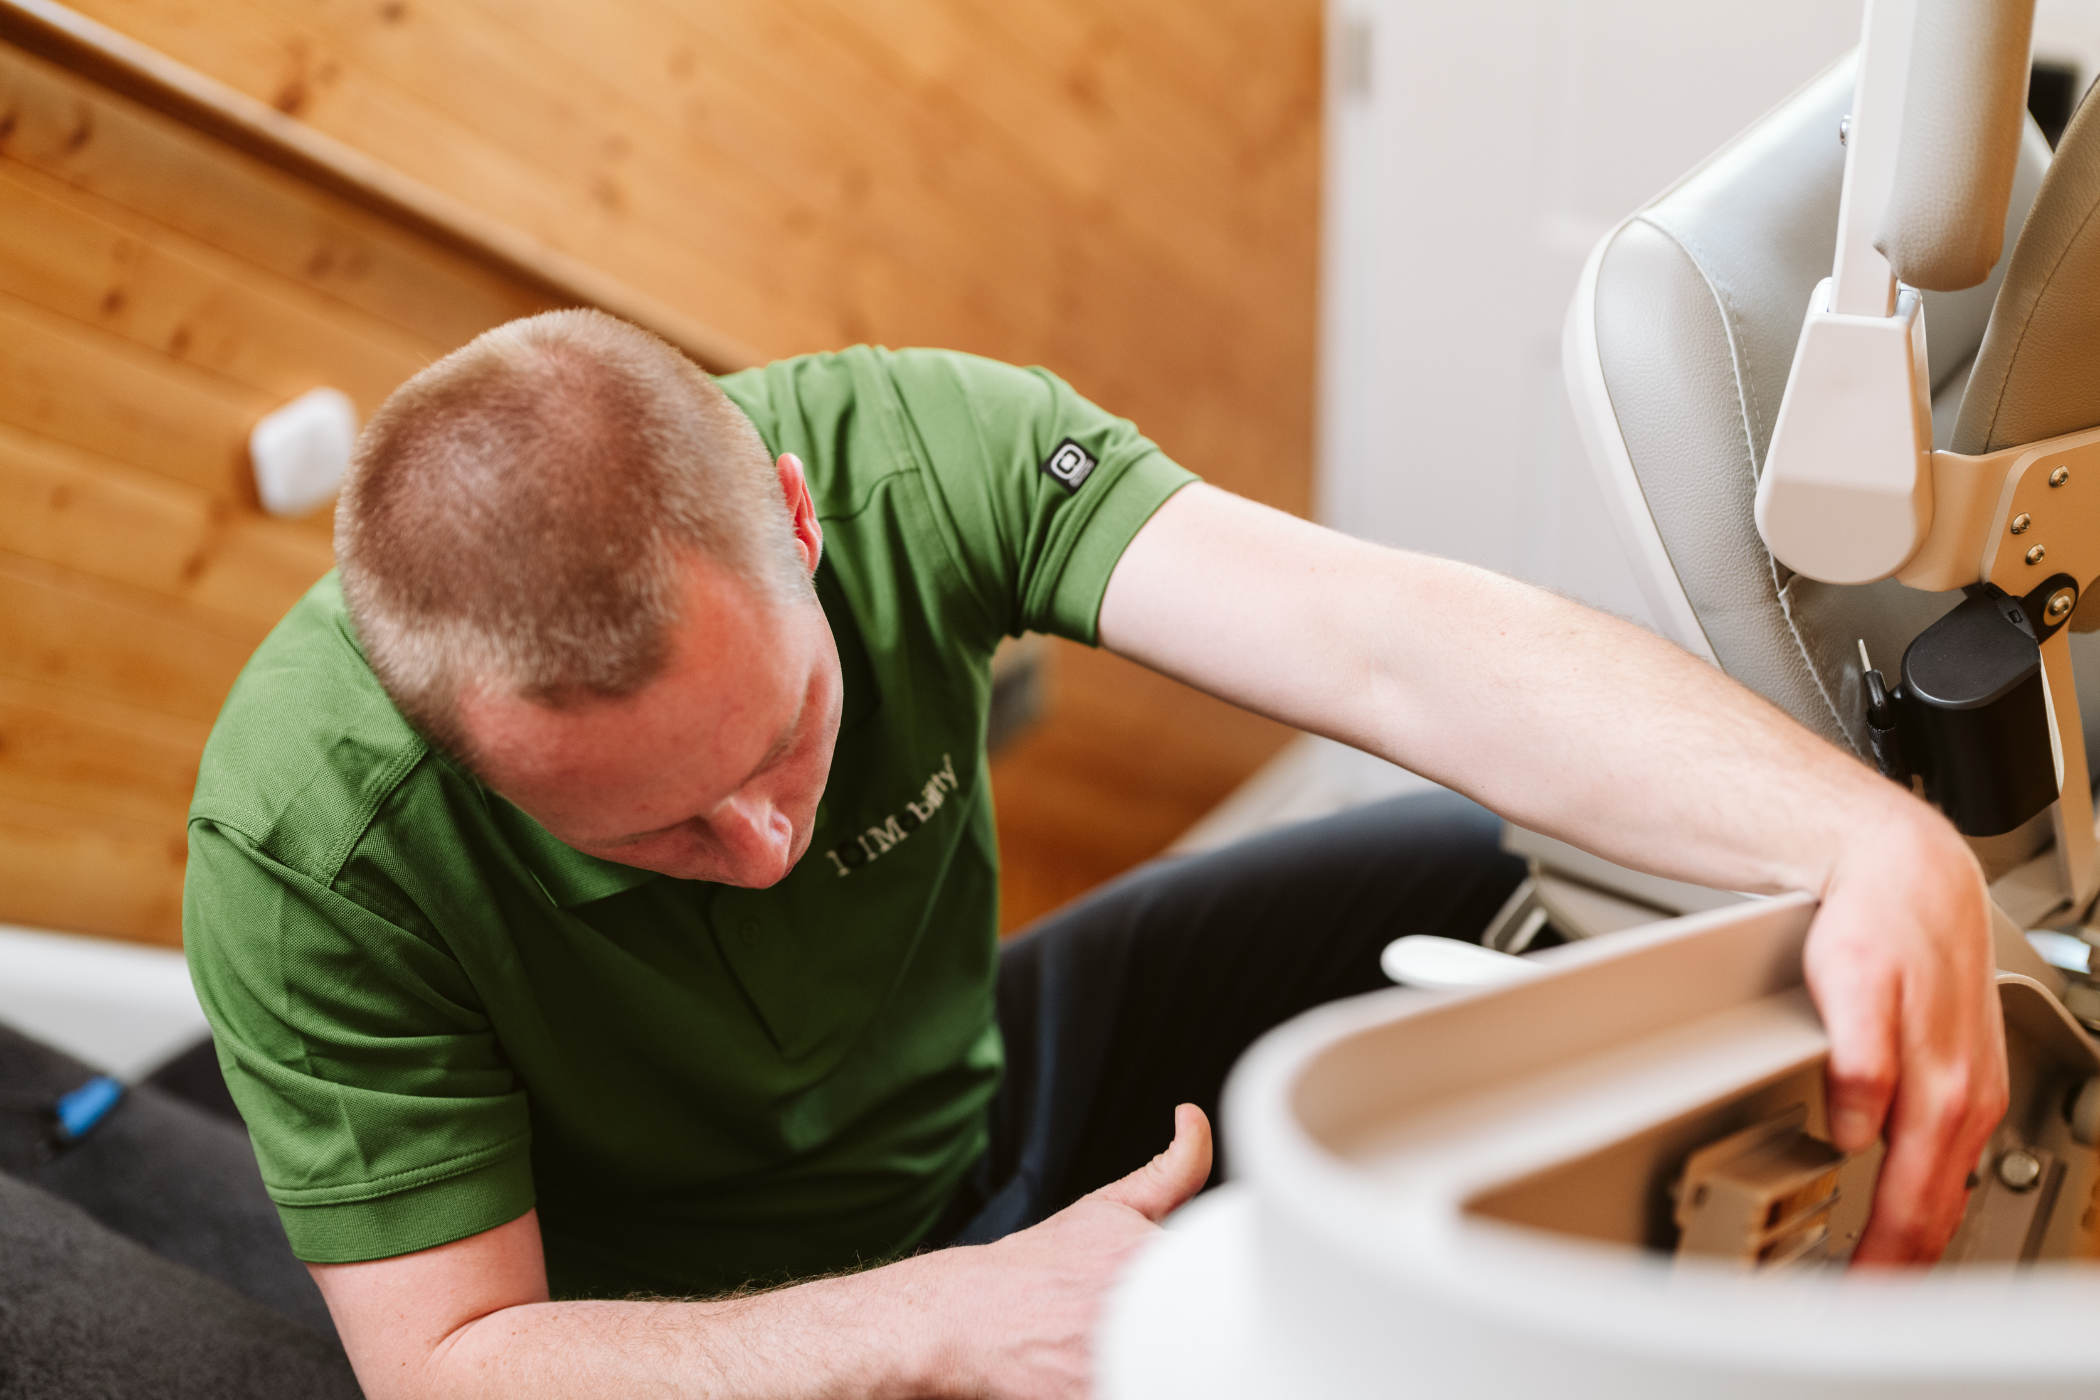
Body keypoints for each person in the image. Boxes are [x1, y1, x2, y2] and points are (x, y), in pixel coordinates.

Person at [183, 309, 2004, 1399]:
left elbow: (1390, 643)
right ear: (453, 756)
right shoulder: (303, 846)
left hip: (974, 1090)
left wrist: (1863, 829)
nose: (758, 846)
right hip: (712, 1328)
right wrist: (953, 1320)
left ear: (801, 524)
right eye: (656, 827)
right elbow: (454, 1364)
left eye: (786, 742)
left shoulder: (914, 451)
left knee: (1472, 844)